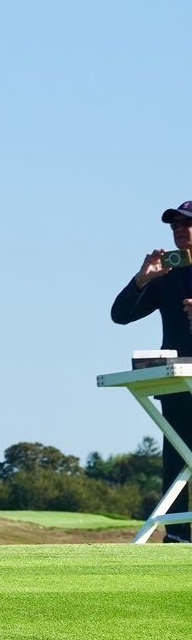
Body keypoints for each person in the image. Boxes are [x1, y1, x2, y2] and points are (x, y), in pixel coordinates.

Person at [111, 200, 192, 543]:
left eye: (186, 225)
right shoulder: (166, 276)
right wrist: (142, 280)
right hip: (176, 380)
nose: (179, 231)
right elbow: (120, 315)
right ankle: (176, 536)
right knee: (177, 457)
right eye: (174, 226)